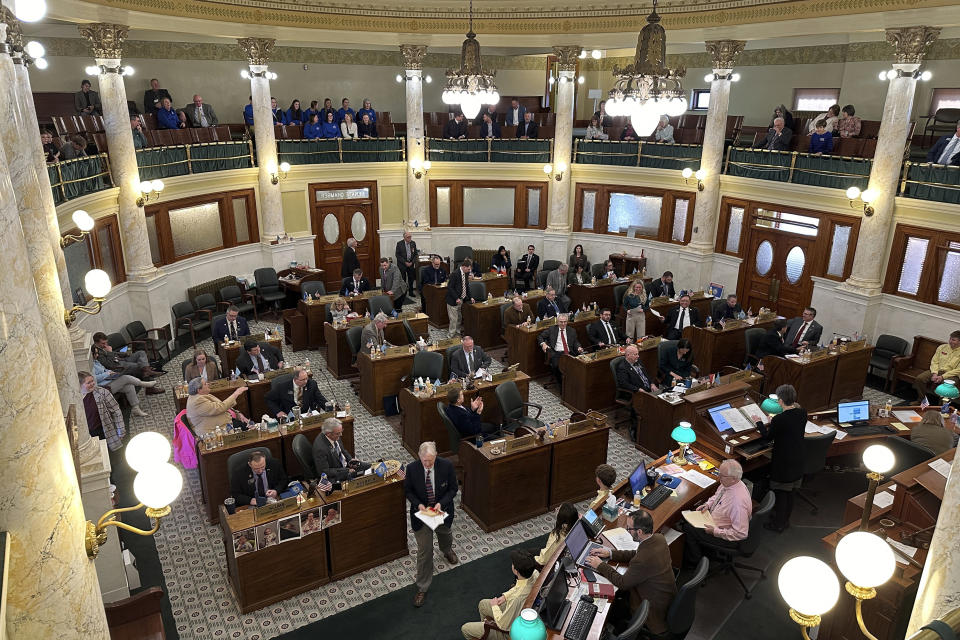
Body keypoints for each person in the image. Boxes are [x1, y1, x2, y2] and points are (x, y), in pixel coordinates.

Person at [585, 510, 677, 635]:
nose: (627, 531)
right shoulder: (658, 539)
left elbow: (622, 583)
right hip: (664, 599)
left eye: (629, 528)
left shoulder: (642, 561)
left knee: (613, 604)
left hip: (652, 612)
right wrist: (610, 553)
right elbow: (636, 553)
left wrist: (600, 565)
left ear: (639, 532)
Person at [406, 441, 459, 607]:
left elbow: (453, 489)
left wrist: (441, 504)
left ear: (436, 456)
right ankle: (422, 587)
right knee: (424, 551)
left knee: (445, 534)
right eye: (424, 461)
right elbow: (408, 491)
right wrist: (418, 505)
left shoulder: (447, 466)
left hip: (440, 511)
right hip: (421, 514)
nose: (427, 464)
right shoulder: (412, 468)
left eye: (431, 460)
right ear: (419, 457)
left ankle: (446, 550)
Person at [681, 459, 752, 567]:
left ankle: (694, 562)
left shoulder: (737, 503)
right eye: (719, 473)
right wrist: (708, 504)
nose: (719, 477)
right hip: (713, 519)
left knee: (688, 528)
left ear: (734, 479)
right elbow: (717, 496)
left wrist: (715, 532)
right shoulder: (729, 484)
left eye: (722, 476)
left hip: (726, 536)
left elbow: (740, 533)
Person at [756, 384, 806, 532]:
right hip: (798, 458)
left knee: (782, 493)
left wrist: (759, 422)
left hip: (784, 462)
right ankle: (785, 520)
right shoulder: (802, 413)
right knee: (791, 493)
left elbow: (767, 438)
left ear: (780, 401)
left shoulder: (779, 419)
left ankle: (778, 524)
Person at [461, 550, 539, 640]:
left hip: (510, 632)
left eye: (513, 564)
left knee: (465, 629)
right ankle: (485, 631)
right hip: (520, 611)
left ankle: (488, 629)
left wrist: (494, 606)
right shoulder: (535, 573)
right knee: (482, 604)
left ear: (516, 571)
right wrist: (505, 596)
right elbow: (520, 587)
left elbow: (503, 625)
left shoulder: (516, 599)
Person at [80, 371, 126, 451]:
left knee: (109, 454)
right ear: (80, 385)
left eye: (92, 381)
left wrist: (120, 429)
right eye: (88, 383)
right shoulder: (76, 398)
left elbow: (116, 411)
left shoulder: (102, 392)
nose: (92, 384)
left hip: (103, 430)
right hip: (87, 434)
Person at [312, 417, 369, 482]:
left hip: (347, 465)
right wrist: (346, 470)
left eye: (341, 432)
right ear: (328, 434)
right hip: (337, 474)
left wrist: (350, 460)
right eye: (338, 433)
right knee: (362, 481)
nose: (341, 435)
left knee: (370, 467)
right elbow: (325, 471)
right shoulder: (320, 449)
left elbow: (343, 451)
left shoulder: (335, 434)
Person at [92, 358, 157, 415]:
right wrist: (107, 374)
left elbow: (104, 370)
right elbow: (94, 379)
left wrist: (110, 372)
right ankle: (143, 384)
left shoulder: (96, 362)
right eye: (96, 353)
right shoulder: (89, 366)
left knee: (129, 386)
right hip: (103, 387)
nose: (97, 355)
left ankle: (136, 408)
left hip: (109, 380)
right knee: (125, 378)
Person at [913, 330, 960, 402]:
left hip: (952, 375)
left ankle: (941, 408)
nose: (950, 341)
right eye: (950, 338)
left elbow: (958, 370)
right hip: (937, 371)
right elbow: (934, 361)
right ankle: (921, 400)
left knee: (946, 388)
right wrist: (935, 373)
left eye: (953, 340)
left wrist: (942, 377)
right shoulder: (942, 347)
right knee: (920, 378)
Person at [92, 332, 161, 380]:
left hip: (122, 358)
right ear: (96, 342)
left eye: (106, 342)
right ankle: (149, 380)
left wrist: (125, 353)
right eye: (103, 343)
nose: (105, 344)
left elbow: (115, 353)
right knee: (140, 365)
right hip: (117, 365)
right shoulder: (96, 352)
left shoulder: (103, 347)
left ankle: (147, 371)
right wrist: (110, 352)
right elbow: (109, 365)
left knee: (141, 353)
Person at [538, 313, 583, 384]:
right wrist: (543, 344)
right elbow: (540, 336)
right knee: (558, 367)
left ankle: (573, 384)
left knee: (577, 365)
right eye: (561, 322)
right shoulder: (552, 329)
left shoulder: (571, 330)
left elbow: (575, 342)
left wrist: (578, 347)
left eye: (565, 322)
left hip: (569, 353)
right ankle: (563, 387)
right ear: (557, 322)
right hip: (556, 353)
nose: (563, 324)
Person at [445, 259, 474, 337]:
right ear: (464, 267)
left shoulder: (466, 273)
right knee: (453, 319)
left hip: (461, 299)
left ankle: (457, 333)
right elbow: (450, 287)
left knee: (459, 318)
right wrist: (456, 298)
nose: (469, 271)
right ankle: (451, 335)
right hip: (453, 300)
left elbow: (466, 286)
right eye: (468, 269)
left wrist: (470, 297)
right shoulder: (455, 274)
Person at [395, 231, 419, 297]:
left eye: (410, 237)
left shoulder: (413, 243)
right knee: (403, 279)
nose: (410, 238)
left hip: (411, 264)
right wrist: (405, 262)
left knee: (411, 279)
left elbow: (416, 254)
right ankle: (403, 293)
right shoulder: (399, 244)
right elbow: (397, 255)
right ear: (404, 237)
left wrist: (412, 262)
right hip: (402, 265)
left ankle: (411, 292)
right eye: (408, 237)